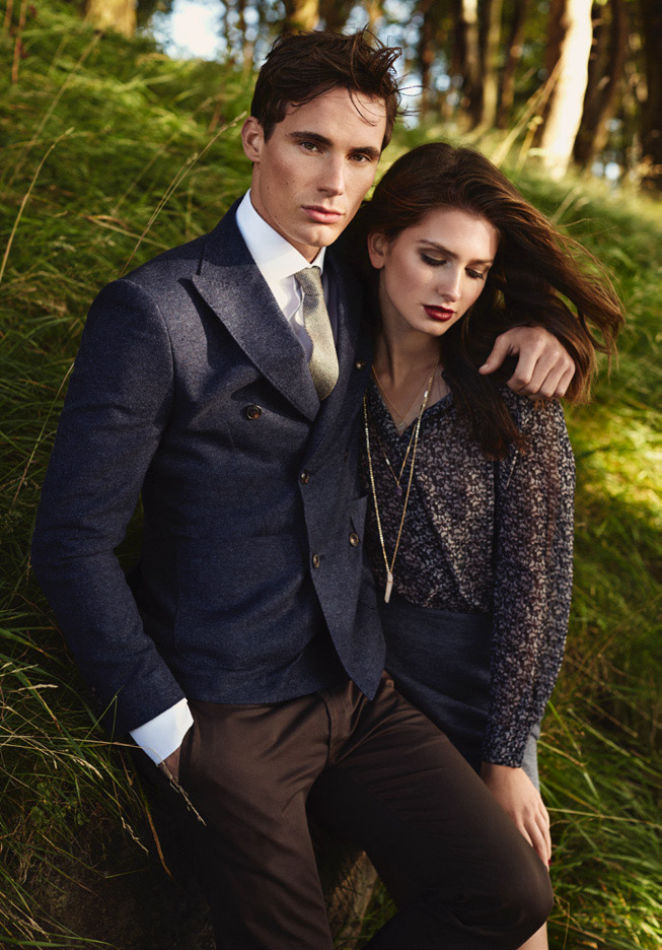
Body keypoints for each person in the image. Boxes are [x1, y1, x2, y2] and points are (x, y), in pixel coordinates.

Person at [31, 31, 575, 950]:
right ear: (256, 138)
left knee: (509, 894)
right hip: (227, 712)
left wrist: (542, 326)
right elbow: (71, 542)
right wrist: (168, 731)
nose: (334, 181)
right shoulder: (158, 311)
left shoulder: (357, 287)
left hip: (356, 689)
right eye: (310, 144)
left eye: (361, 156)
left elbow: (449, 270)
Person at [353, 142, 623, 950]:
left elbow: (538, 593)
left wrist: (506, 756)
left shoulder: (511, 397)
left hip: (477, 685)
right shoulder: (333, 366)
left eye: (474, 270)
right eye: (434, 258)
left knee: (517, 915)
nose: (452, 289)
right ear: (379, 245)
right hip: (366, 676)